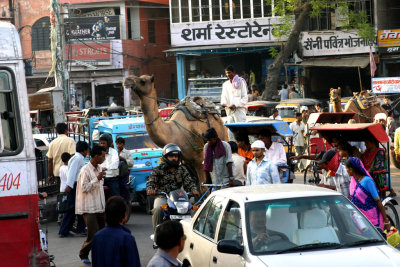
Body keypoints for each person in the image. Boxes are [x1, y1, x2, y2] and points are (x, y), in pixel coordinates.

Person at [146, 143, 199, 231]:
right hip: (163, 196)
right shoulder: (158, 169)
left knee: (193, 210)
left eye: (176, 156)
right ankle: (157, 235)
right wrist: (150, 189)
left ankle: (192, 235)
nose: (174, 158)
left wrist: (194, 190)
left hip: (179, 197)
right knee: (158, 209)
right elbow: (151, 181)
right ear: (165, 157)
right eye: (171, 156)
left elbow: (189, 182)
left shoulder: (182, 169)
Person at [75, 145, 107, 265]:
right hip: (89, 207)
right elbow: (84, 188)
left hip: (99, 205)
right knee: (93, 234)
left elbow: (99, 187)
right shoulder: (85, 170)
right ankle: (83, 253)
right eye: (102, 156)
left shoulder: (99, 168)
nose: (104, 158)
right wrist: (96, 179)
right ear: (95, 156)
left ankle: (100, 256)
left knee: (102, 233)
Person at [92, 196, 141, 267]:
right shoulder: (127, 238)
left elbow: (95, 262)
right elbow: (133, 263)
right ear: (124, 216)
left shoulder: (97, 236)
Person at [345, 157, 391, 231]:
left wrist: (386, 220)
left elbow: (378, 201)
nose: (346, 171)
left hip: (372, 218)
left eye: (346, 168)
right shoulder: (353, 181)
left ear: (351, 169)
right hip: (359, 219)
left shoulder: (367, 181)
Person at [59, 141, 89, 238]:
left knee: (78, 207)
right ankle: (64, 230)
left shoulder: (77, 158)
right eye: (87, 150)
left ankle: (80, 228)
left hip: (75, 184)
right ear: (84, 150)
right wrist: (69, 185)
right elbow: (72, 172)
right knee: (72, 208)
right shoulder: (77, 158)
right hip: (75, 185)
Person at [221, 65, 248, 140]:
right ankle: (233, 150)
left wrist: (235, 105)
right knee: (230, 133)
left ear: (234, 72)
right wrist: (223, 103)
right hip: (229, 111)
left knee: (240, 132)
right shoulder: (225, 84)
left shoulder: (241, 82)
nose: (228, 75)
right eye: (226, 73)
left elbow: (245, 98)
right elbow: (224, 97)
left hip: (239, 111)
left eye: (229, 72)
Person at [47, 123, 76, 188]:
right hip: (69, 172)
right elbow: (73, 157)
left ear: (57, 131)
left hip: (57, 173)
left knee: (60, 194)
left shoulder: (52, 143)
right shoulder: (70, 141)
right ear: (66, 131)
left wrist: (49, 175)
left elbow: (50, 161)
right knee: (70, 194)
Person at [99, 133, 120, 198]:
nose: (102, 145)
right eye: (101, 143)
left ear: (108, 143)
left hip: (112, 178)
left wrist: (106, 168)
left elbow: (115, 164)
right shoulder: (98, 152)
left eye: (104, 143)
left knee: (115, 196)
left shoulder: (114, 152)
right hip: (101, 178)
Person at [116, 137, 134, 205]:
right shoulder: (115, 152)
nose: (118, 145)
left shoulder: (127, 152)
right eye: (117, 144)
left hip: (124, 173)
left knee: (124, 187)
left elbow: (131, 163)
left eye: (120, 144)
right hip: (116, 173)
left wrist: (123, 159)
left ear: (123, 144)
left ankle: (127, 201)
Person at [58, 152, 71, 224]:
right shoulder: (67, 168)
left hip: (62, 188)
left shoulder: (61, 167)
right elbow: (68, 178)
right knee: (66, 206)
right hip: (66, 188)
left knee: (62, 204)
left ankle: (60, 218)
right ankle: (64, 220)